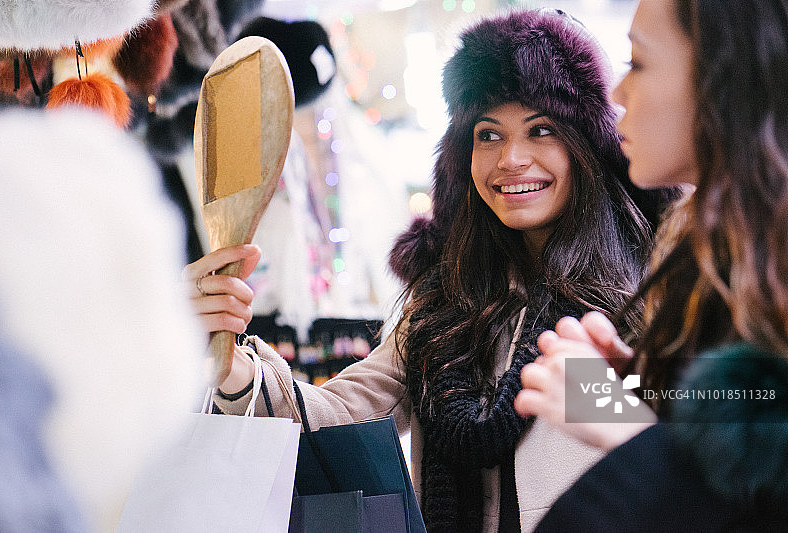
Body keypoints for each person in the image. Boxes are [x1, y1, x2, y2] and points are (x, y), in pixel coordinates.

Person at [183, 9, 673, 532]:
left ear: (589, 146)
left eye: (542, 129)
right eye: (488, 135)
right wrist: (230, 363)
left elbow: (706, 464)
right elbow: (342, 414)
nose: (511, 158)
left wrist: (616, 406)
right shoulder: (445, 304)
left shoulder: (647, 295)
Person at [515, 0, 788, 530]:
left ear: (723, 77)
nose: (619, 95)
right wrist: (643, 386)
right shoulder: (716, 256)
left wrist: (621, 424)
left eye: (638, 63)